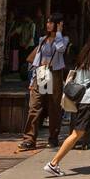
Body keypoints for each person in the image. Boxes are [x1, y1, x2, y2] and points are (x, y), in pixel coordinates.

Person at [44, 25, 90, 176]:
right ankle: (53, 163)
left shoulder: (86, 52)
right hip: (88, 100)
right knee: (77, 133)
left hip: (87, 99)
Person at [18, 13, 69, 150]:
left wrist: (58, 32)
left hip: (55, 72)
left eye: (51, 22)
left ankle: (53, 137)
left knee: (54, 107)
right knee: (35, 105)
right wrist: (32, 79)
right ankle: (29, 139)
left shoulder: (63, 39)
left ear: (59, 24)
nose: (48, 25)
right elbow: (36, 60)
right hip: (41, 72)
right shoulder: (42, 39)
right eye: (47, 22)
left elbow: (60, 49)